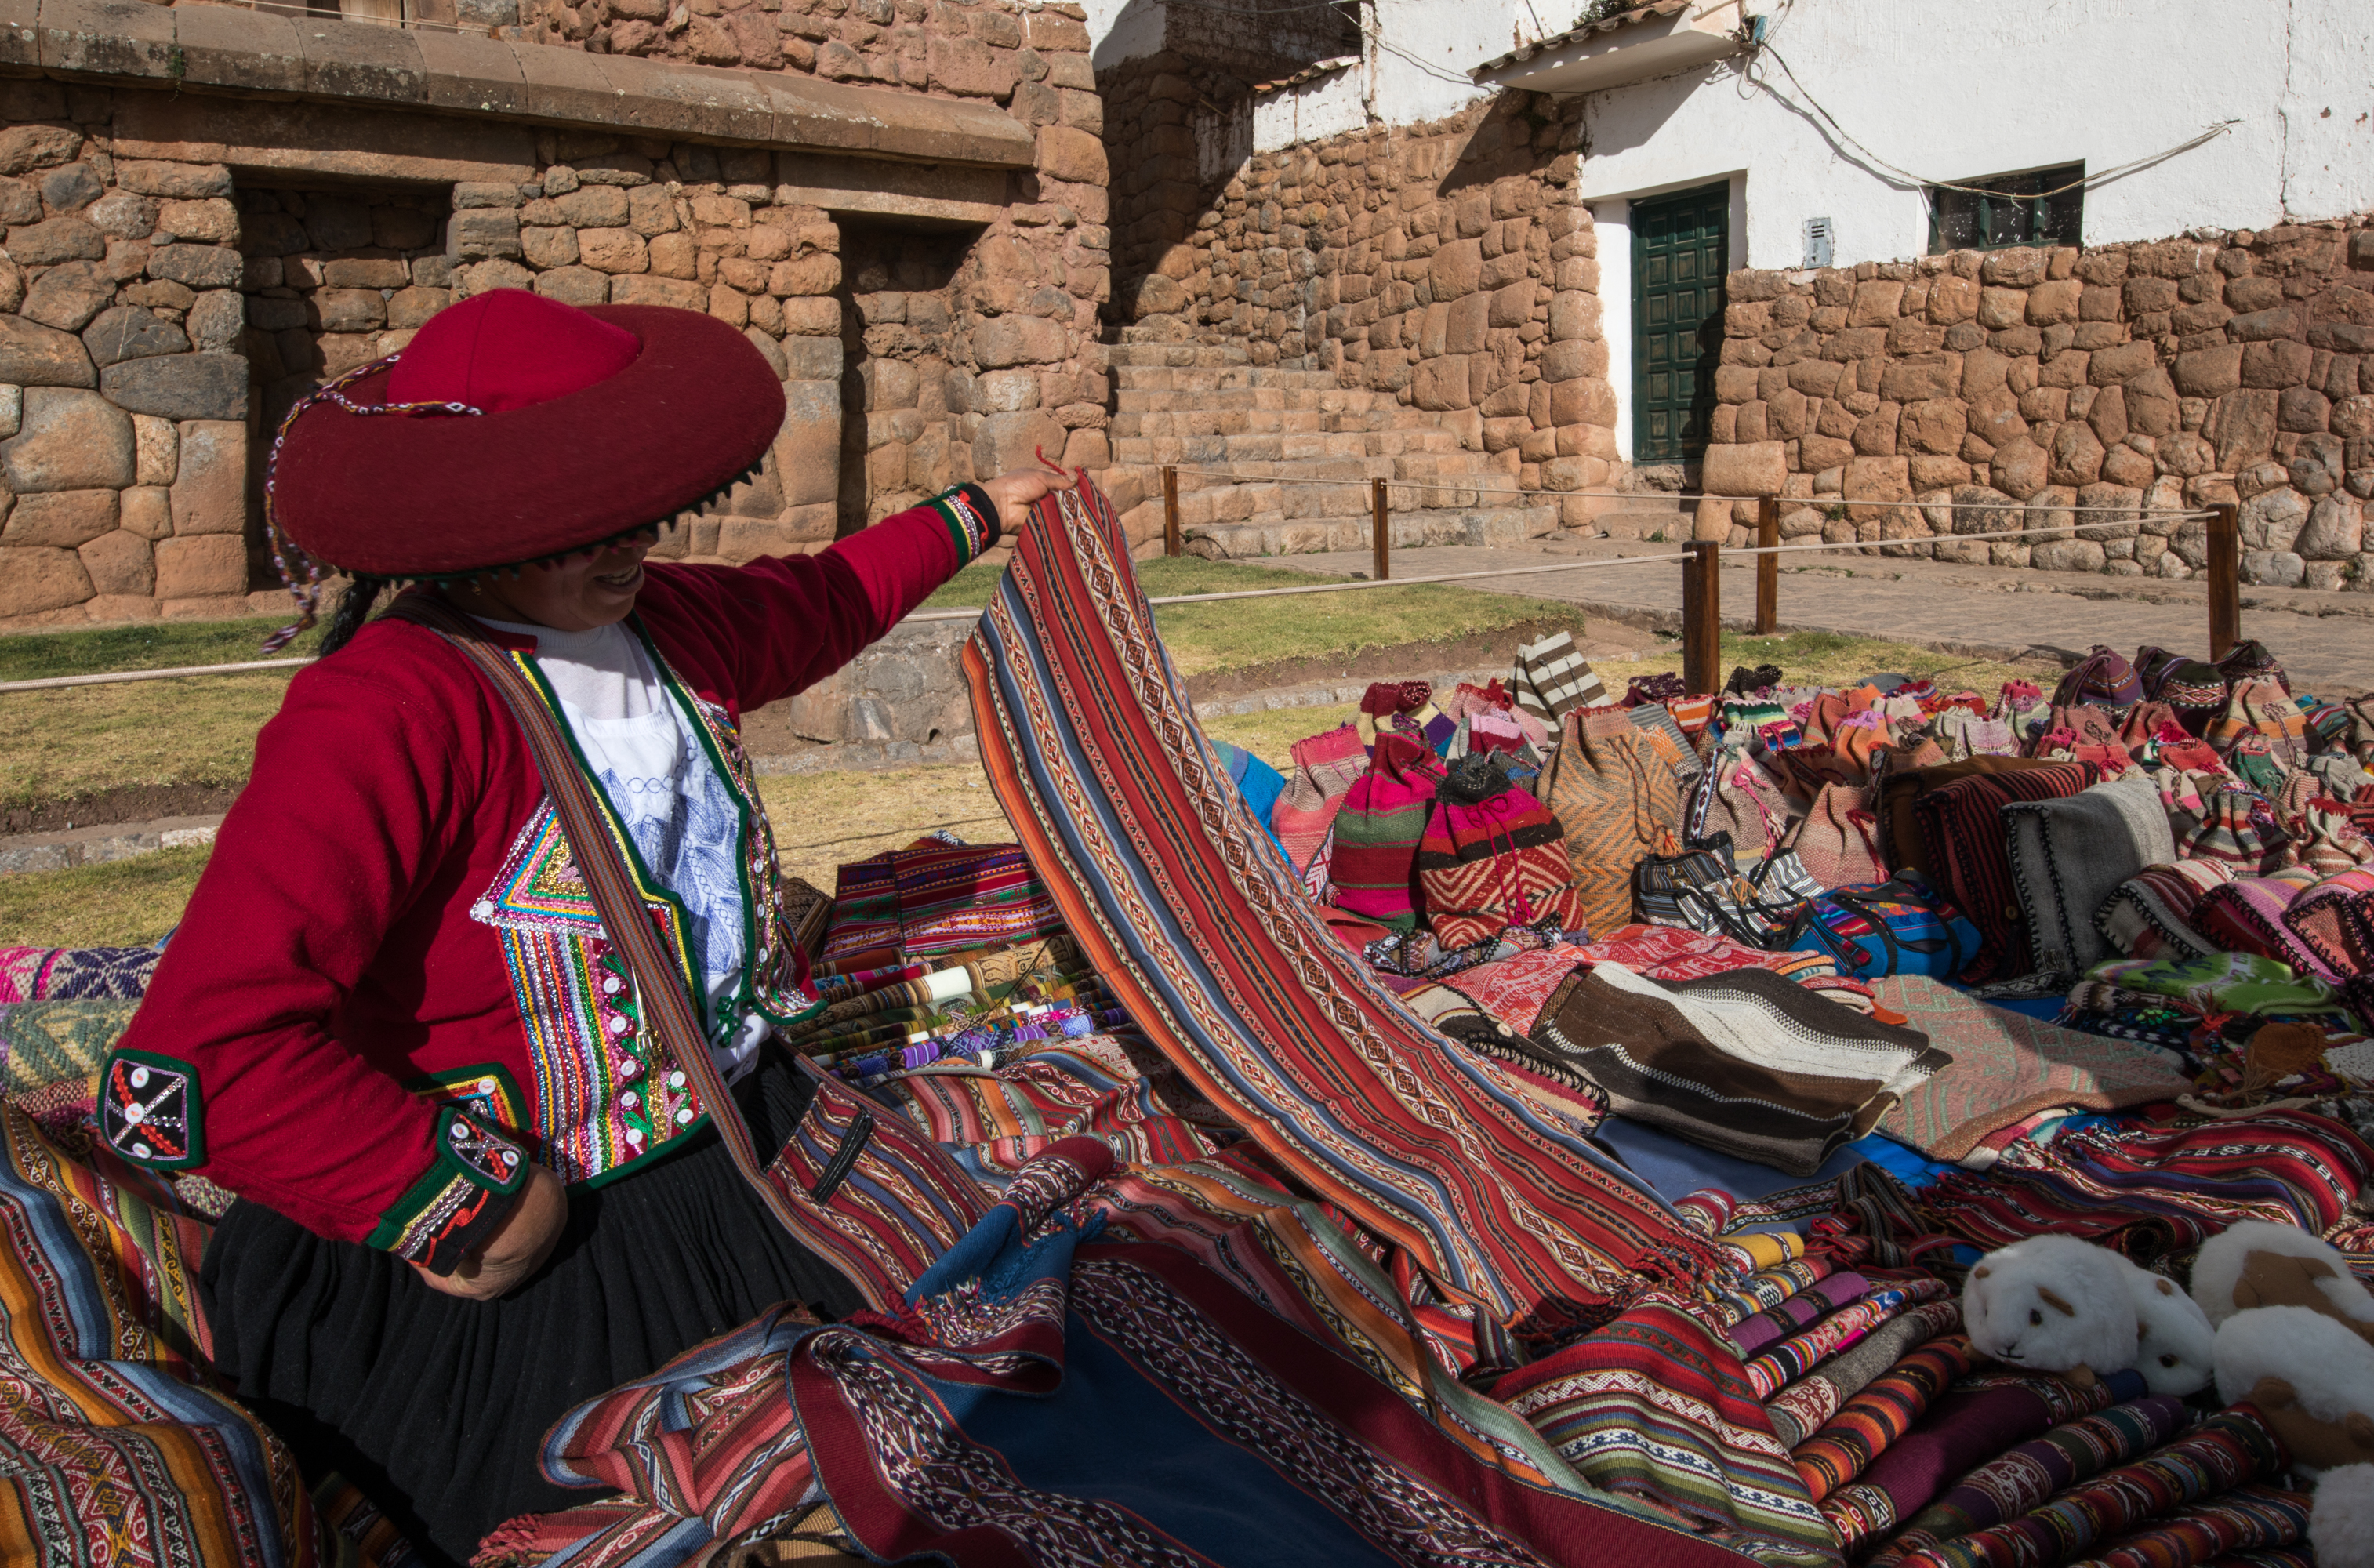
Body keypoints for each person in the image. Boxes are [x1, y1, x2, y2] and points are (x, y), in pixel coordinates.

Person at [103, 289, 1072, 1563]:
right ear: (469, 531)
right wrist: (461, 1201)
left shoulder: (671, 627)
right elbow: (192, 1061)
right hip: (522, 1239)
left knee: (988, 1399)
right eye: (575, 534)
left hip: (729, 1147)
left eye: (638, 521)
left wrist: (982, 513)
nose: (618, 556)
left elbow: (823, 598)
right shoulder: (388, 714)